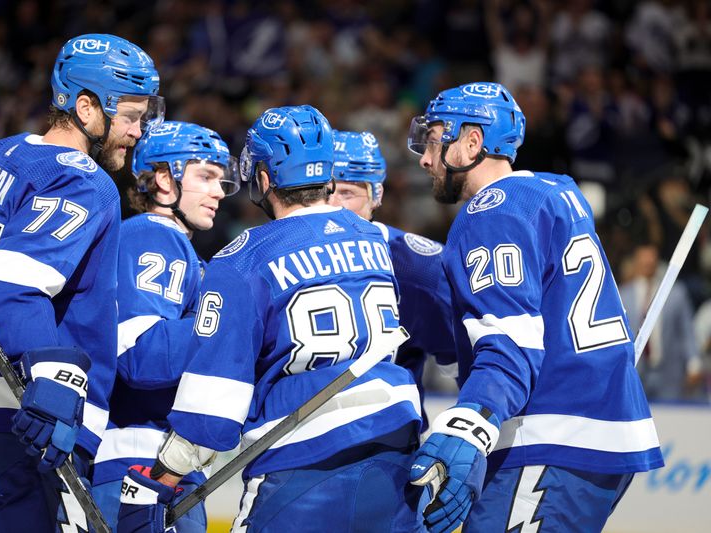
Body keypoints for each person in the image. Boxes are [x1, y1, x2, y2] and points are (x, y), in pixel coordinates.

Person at [117, 105, 425, 533]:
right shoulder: (376, 238)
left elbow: (214, 401)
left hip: (302, 454)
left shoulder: (244, 255)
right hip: (397, 445)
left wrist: (163, 476)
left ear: (263, 178)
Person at [0, 34, 163, 531]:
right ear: (86, 108)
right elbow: (7, 290)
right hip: (11, 424)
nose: (138, 131)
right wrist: (55, 379)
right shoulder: (84, 182)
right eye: (132, 116)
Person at [406, 82, 663, 533]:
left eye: (434, 140)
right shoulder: (557, 190)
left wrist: (471, 425)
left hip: (552, 434)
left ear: (472, 142)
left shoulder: (491, 209)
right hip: (596, 428)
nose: (426, 158)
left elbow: (512, 343)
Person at [91, 120, 240, 531]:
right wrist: (230, 328)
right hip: (141, 461)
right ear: (163, 179)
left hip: (154, 461)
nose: (218, 191)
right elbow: (140, 355)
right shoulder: (154, 235)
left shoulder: (178, 250)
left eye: (220, 180)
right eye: (206, 176)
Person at [328, 129, 455, 428]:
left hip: (386, 449)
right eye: (325, 191)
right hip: (295, 448)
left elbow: (473, 366)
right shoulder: (279, 255)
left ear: (377, 195)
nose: (333, 205)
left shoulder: (415, 265)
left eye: (347, 193)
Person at [619, 242, 702, 401]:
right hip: (635, 371)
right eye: (643, 259)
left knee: (670, 420)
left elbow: (686, 331)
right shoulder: (623, 295)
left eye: (651, 259)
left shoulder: (675, 293)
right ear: (636, 261)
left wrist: (694, 363)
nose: (648, 263)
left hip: (669, 370)